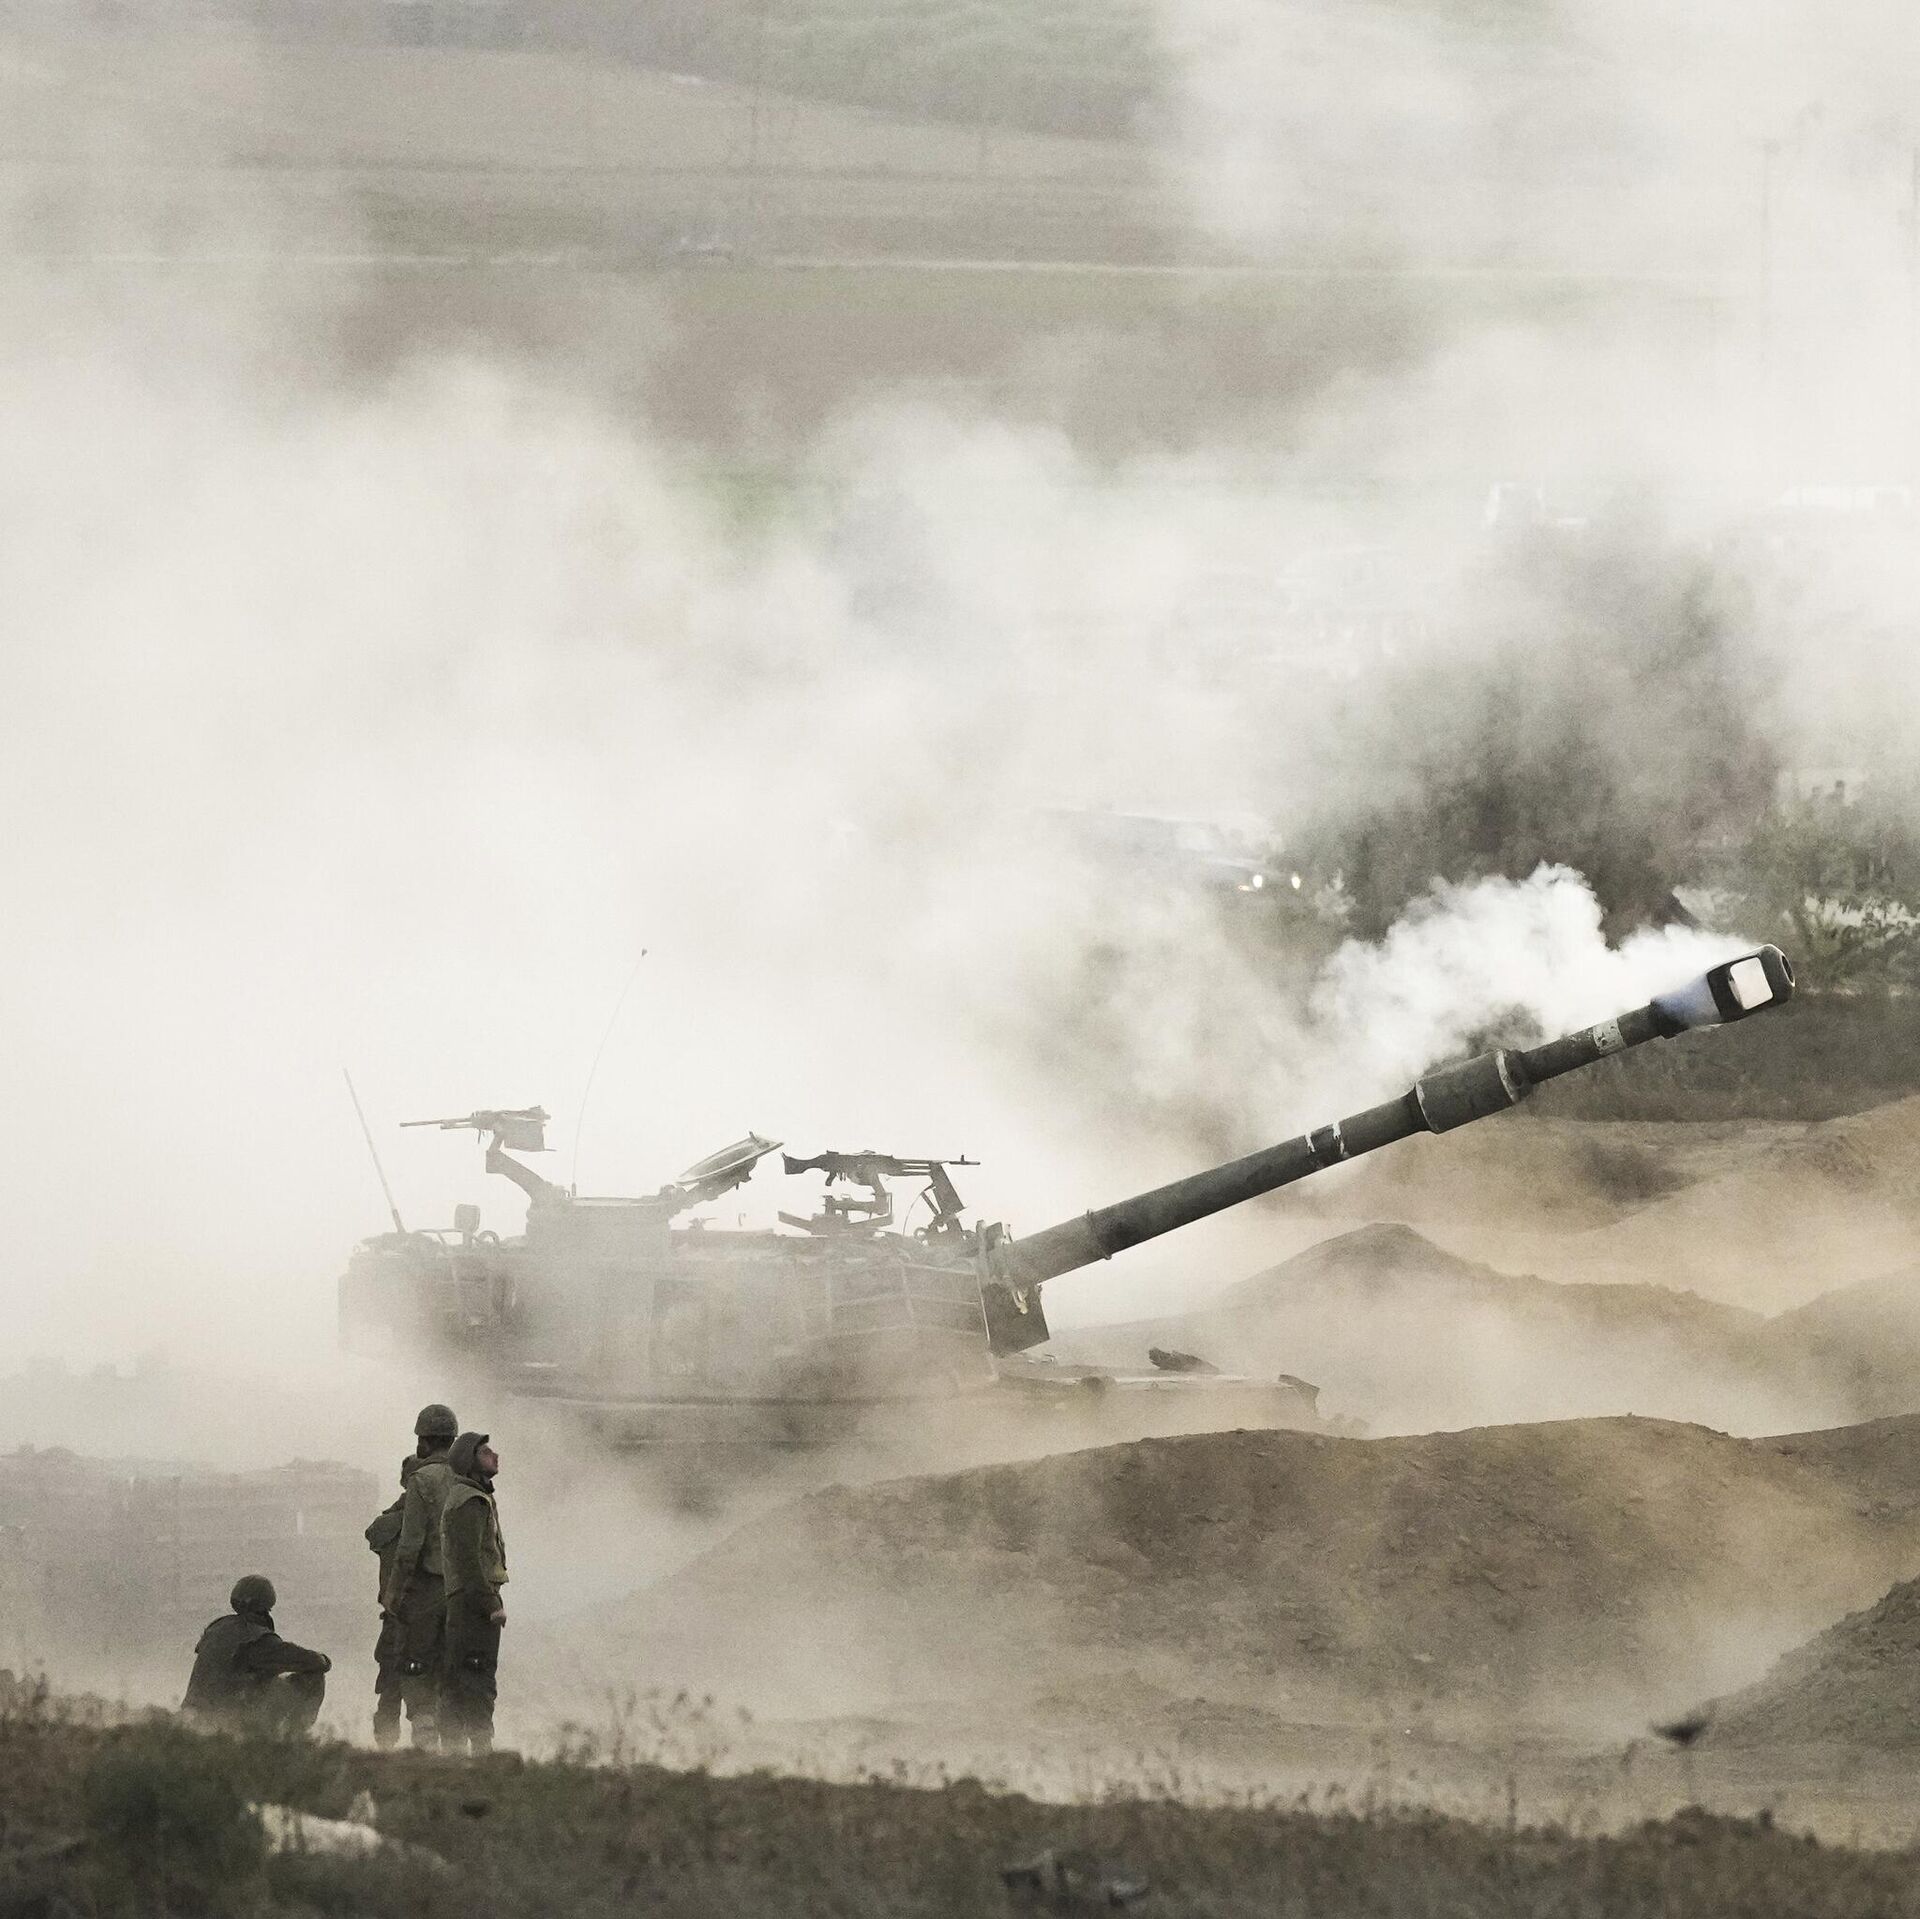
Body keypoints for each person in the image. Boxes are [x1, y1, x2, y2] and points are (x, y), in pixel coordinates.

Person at [381, 1403, 459, 1750]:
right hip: (464, 1591)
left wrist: (393, 1595)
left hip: (428, 1589)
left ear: (423, 1441)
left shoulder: (421, 1480)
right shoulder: (471, 1478)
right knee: (454, 1669)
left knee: (416, 1665)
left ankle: (425, 1745)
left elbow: (409, 1546)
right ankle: (460, 1747)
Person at [181, 1574, 331, 1736]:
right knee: (313, 1678)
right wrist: (325, 1660)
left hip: (191, 1714)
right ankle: (293, 1738)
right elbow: (312, 1662)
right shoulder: (257, 1638)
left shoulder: (216, 1629)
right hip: (230, 1720)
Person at [440, 1430, 507, 1757]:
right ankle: (481, 1751)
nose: (494, 1456)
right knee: (477, 1675)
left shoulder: (470, 1497)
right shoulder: (470, 1501)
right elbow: (468, 1559)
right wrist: (490, 1602)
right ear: (470, 1462)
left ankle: (454, 1752)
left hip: (466, 1600)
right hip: (473, 1603)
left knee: (461, 1676)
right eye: (485, 1452)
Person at [365, 1454, 420, 1750]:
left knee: (391, 1687)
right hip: (426, 1615)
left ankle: (386, 1749)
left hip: (398, 1616)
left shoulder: (390, 1523)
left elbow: (375, 1534)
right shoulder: (437, 1520)